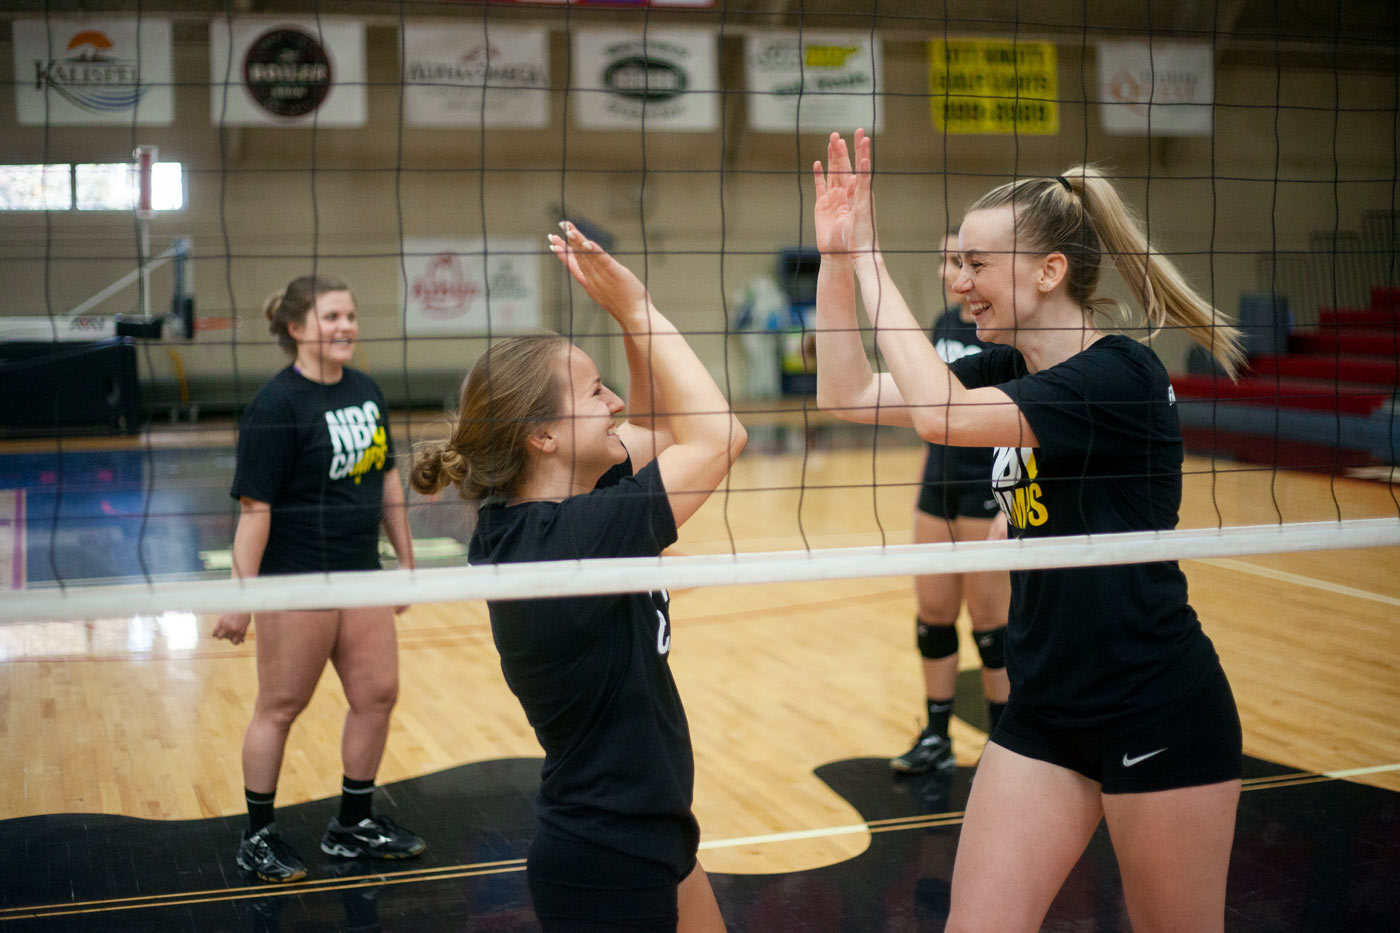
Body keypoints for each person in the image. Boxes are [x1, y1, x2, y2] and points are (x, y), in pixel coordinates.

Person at [812, 130, 1245, 932]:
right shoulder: (1008, 367)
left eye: (977, 264)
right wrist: (838, 257)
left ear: (1049, 272)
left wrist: (872, 257)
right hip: (1044, 706)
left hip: (1153, 704)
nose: (959, 281)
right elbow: (844, 391)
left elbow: (940, 417)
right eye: (958, 263)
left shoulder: (1120, 375)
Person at [410, 222, 745, 932]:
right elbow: (718, 437)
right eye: (595, 393)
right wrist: (638, 308)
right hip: (608, 860)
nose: (614, 401)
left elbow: (658, 428)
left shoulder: (554, 512)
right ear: (543, 436)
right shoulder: (568, 543)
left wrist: (628, 318)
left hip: (649, 833)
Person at [213, 275, 423, 883]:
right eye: (332, 317)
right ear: (297, 328)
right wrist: (241, 597)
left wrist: (406, 563)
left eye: (350, 315)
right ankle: (257, 836)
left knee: (377, 694)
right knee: (280, 707)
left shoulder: (366, 390)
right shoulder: (275, 408)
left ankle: (352, 825)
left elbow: (385, 479)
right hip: (297, 579)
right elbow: (255, 512)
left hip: (360, 573)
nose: (346, 326)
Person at [892, 231, 1012, 776]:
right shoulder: (943, 324)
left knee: (990, 622)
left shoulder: (1004, 333)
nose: (951, 271)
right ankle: (936, 736)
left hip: (986, 484)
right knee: (934, 614)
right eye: (945, 260)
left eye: (961, 260)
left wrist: (1010, 504)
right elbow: (929, 412)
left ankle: (1004, 743)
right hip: (938, 485)